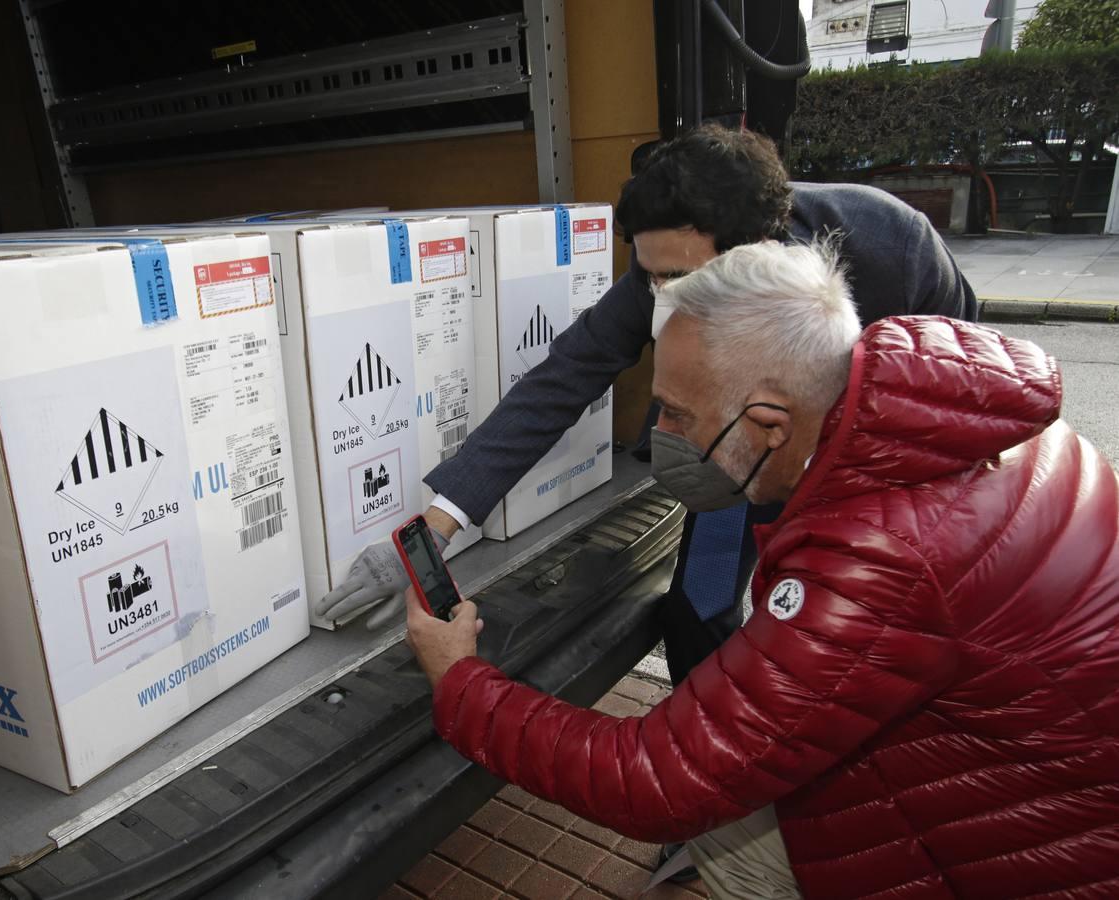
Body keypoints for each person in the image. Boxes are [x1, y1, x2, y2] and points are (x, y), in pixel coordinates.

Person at [405, 240, 1119, 900]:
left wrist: (460, 681)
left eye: (679, 416)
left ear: (768, 424)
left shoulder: (879, 559)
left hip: (1028, 845)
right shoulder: (957, 418)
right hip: (1032, 773)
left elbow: (657, 780)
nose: (663, 439)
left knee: (725, 842)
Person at [317, 124, 977, 691]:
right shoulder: (665, 269)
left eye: (677, 279)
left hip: (870, 460)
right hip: (740, 452)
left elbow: (956, 395)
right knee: (700, 602)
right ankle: (705, 765)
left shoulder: (894, 251)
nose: (659, 295)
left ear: (751, 252)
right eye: (648, 273)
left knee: (839, 625)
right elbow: (561, 380)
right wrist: (436, 524)